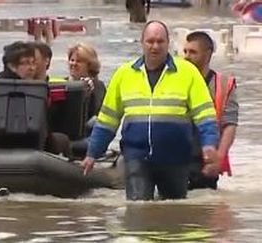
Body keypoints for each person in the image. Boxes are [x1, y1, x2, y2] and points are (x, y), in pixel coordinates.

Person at [82, 20, 220, 201]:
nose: (155, 46)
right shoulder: (123, 75)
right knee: (138, 208)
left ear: (168, 43)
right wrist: (92, 153)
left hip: (175, 159)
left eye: (160, 41)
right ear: (142, 42)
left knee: (174, 210)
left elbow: (206, 116)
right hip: (136, 158)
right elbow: (108, 120)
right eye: (150, 41)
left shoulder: (188, 73)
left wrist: (209, 144)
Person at [183, 31, 239, 190]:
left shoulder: (223, 84)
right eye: (185, 51)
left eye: (193, 52)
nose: (187, 56)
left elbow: (230, 124)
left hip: (206, 159)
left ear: (208, 54)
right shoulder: (176, 80)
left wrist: (218, 159)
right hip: (177, 157)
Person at [66, 42, 106, 119]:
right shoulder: (62, 84)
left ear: (90, 65)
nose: (74, 63)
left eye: (79, 61)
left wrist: (89, 95)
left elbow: (96, 113)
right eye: (72, 60)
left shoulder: (98, 87)